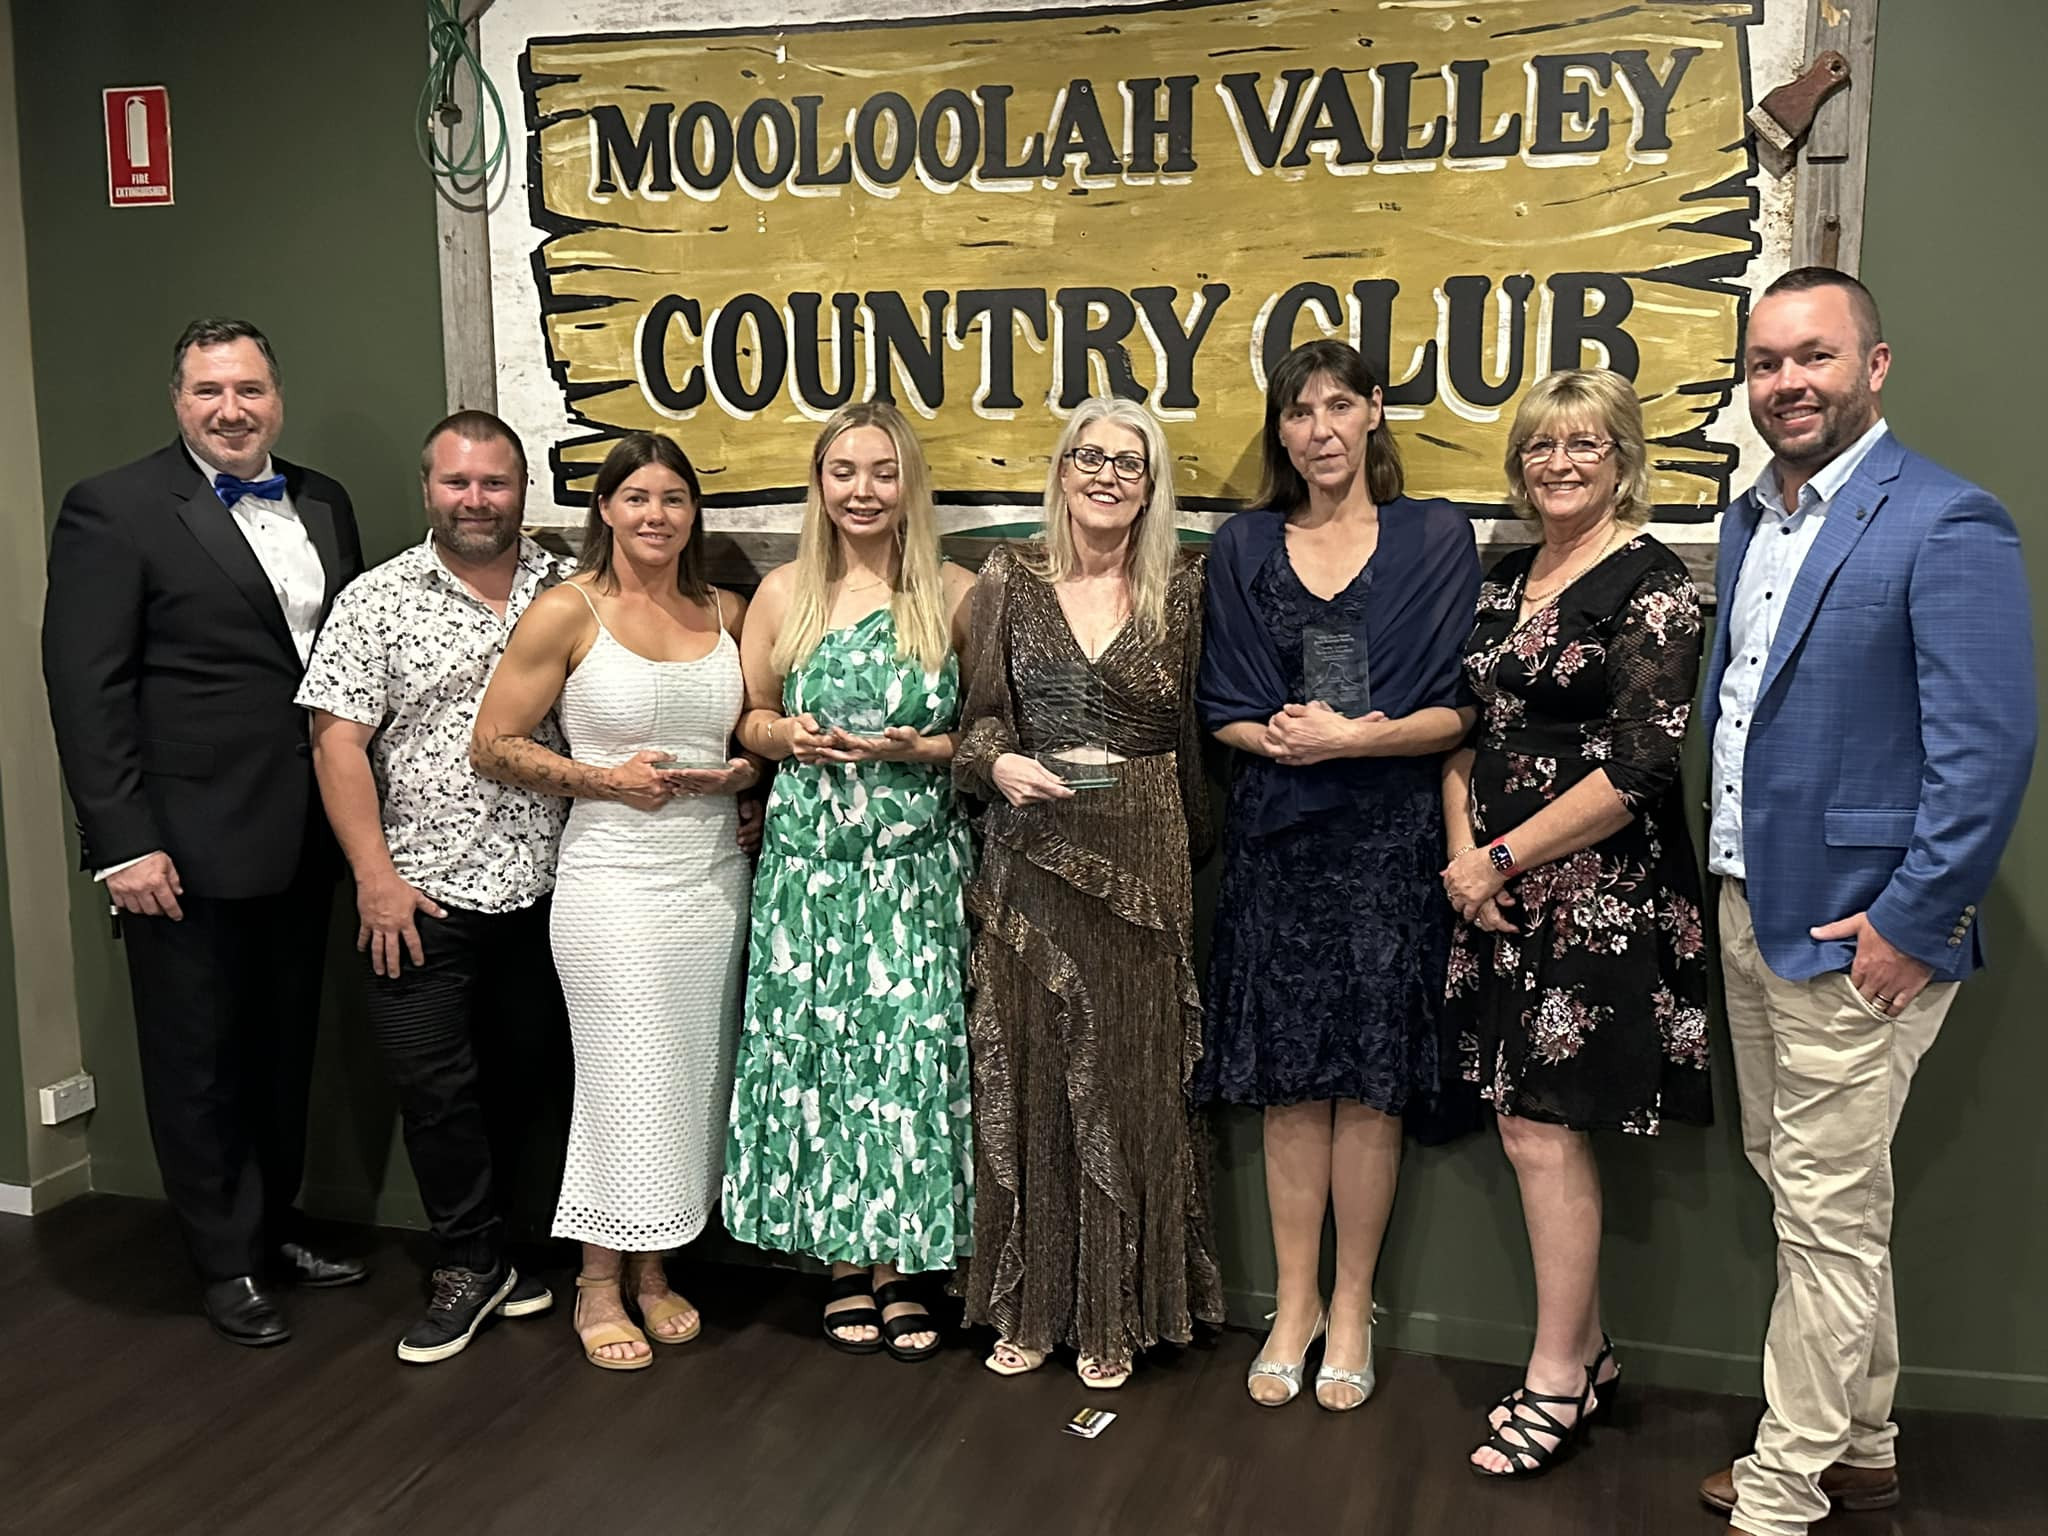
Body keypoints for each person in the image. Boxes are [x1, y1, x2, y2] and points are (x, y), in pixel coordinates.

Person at [1692, 268, 2034, 1536]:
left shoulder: (1945, 521)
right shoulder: (1747, 521)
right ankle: (1865, 1443)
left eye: (1814, 357)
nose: (1786, 383)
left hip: (1858, 932)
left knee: (1826, 1214)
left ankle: (1782, 1491)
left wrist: (1912, 921)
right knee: (1811, 1192)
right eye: (1766, 362)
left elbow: (1985, 750)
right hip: (1748, 901)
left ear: (1872, 367)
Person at [41, 318, 367, 1346]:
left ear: (278, 396)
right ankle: (223, 1256)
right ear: (177, 400)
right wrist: (122, 845)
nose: (231, 410)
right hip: (180, 843)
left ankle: (274, 1225)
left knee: (280, 1046)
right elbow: (85, 692)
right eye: (208, 392)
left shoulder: (322, 499)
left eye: (250, 391)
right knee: (196, 1057)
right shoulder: (115, 508)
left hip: (307, 829)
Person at [1197, 339, 1481, 1412]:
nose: (1317, 429)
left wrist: (1352, 743)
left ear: (1372, 412)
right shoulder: (1242, 544)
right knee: (1288, 1087)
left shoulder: (1433, 535)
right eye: (1296, 411)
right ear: (1278, 431)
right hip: (1278, 839)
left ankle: (1354, 1304)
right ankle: (1294, 1303)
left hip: (1388, 842)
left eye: (1335, 406)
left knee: (1367, 1084)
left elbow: (1461, 707)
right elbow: (1217, 704)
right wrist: (1281, 743)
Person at [1439, 367, 1710, 1476]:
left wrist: (1499, 854)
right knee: (1520, 1127)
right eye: (1540, 447)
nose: (1558, 463)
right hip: (1494, 894)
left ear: (1621, 458)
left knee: (1545, 1131)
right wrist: (1464, 855)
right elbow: (1469, 728)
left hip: (1596, 897)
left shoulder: (1653, 587)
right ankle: (1584, 1352)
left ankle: (1556, 1376)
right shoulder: (1506, 581)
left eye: (1582, 445)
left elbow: (1642, 765)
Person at [472, 431, 756, 1372]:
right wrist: (602, 779)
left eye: (673, 498)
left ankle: (656, 1270)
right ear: (604, 509)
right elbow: (494, 744)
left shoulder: (728, 610)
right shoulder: (567, 610)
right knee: (620, 1079)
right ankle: (597, 1279)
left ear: (692, 513)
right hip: (612, 889)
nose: (655, 515)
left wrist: (744, 772)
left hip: (713, 882)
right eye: (635, 497)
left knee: (687, 1079)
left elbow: (757, 732)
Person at [953, 398, 1223, 1389]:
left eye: (1131, 463)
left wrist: (1193, 856)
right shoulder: (1006, 581)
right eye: (1090, 457)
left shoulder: (1182, 592)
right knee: (1030, 1076)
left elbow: (1195, 746)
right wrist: (1001, 766)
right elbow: (976, 726)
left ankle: (1119, 1313)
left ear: (1151, 487)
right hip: (1031, 858)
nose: (1107, 476)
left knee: (1132, 1081)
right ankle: (1030, 1301)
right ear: (1061, 470)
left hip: (1144, 863)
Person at [297, 411, 573, 1364]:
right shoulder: (376, 599)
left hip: (553, 889)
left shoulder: (570, 587)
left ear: (522, 487)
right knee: (434, 1089)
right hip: (420, 895)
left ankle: (521, 1254)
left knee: (534, 1083)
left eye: (493, 482)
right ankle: (464, 1260)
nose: (475, 500)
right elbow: (336, 743)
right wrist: (373, 878)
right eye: (457, 482)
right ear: (428, 490)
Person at [722, 399, 977, 1363]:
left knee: (909, 1063)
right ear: (819, 487)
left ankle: (905, 1267)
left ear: (908, 482)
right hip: (810, 873)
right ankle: (840, 1264)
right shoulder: (784, 593)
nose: (863, 491)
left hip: (914, 870)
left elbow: (989, 735)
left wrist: (927, 746)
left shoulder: (954, 592)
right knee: (825, 1061)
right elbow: (749, 716)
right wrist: (782, 736)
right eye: (844, 473)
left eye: (881, 471)